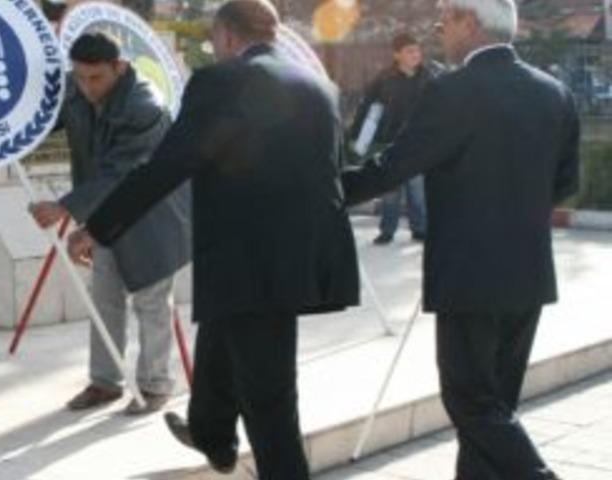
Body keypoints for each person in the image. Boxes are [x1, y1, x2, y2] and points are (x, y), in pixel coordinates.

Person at [66, 1, 359, 477]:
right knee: (223, 329)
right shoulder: (318, 85)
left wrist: (99, 226)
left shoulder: (218, 83)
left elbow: (167, 166)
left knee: (270, 401)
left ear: (225, 36)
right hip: (301, 259)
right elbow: (335, 176)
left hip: (252, 263)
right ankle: (212, 431)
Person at [341, 1, 579, 478]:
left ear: (470, 23)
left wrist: (324, 191)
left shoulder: (452, 90)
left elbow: (396, 165)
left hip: (470, 276)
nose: (439, 32)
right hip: (528, 274)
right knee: (495, 409)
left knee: (469, 401)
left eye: (444, 21)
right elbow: (564, 185)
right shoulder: (555, 92)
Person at [29, 32, 191, 415]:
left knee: (151, 301)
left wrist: (65, 207)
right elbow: (43, 124)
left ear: (119, 67)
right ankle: (105, 382)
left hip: (151, 213)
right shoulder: (76, 89)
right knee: (104, 298)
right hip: (105, 212)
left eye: (96, 78)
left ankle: (155, 385)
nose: (86, 88)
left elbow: (121, 172)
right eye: (80, 78)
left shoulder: (144, 105)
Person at [349, 33, 434, 245]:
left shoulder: (428, 77)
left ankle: (420, 228)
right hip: (388, 142)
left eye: (417, 50)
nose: (416, 54)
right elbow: (366, 106)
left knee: (417, 191)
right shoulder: (384, 78)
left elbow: (439, 108)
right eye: (409, 51)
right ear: (397, 55)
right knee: (390, 191)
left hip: (417, 143)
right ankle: (387, 230)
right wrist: (355, 134)